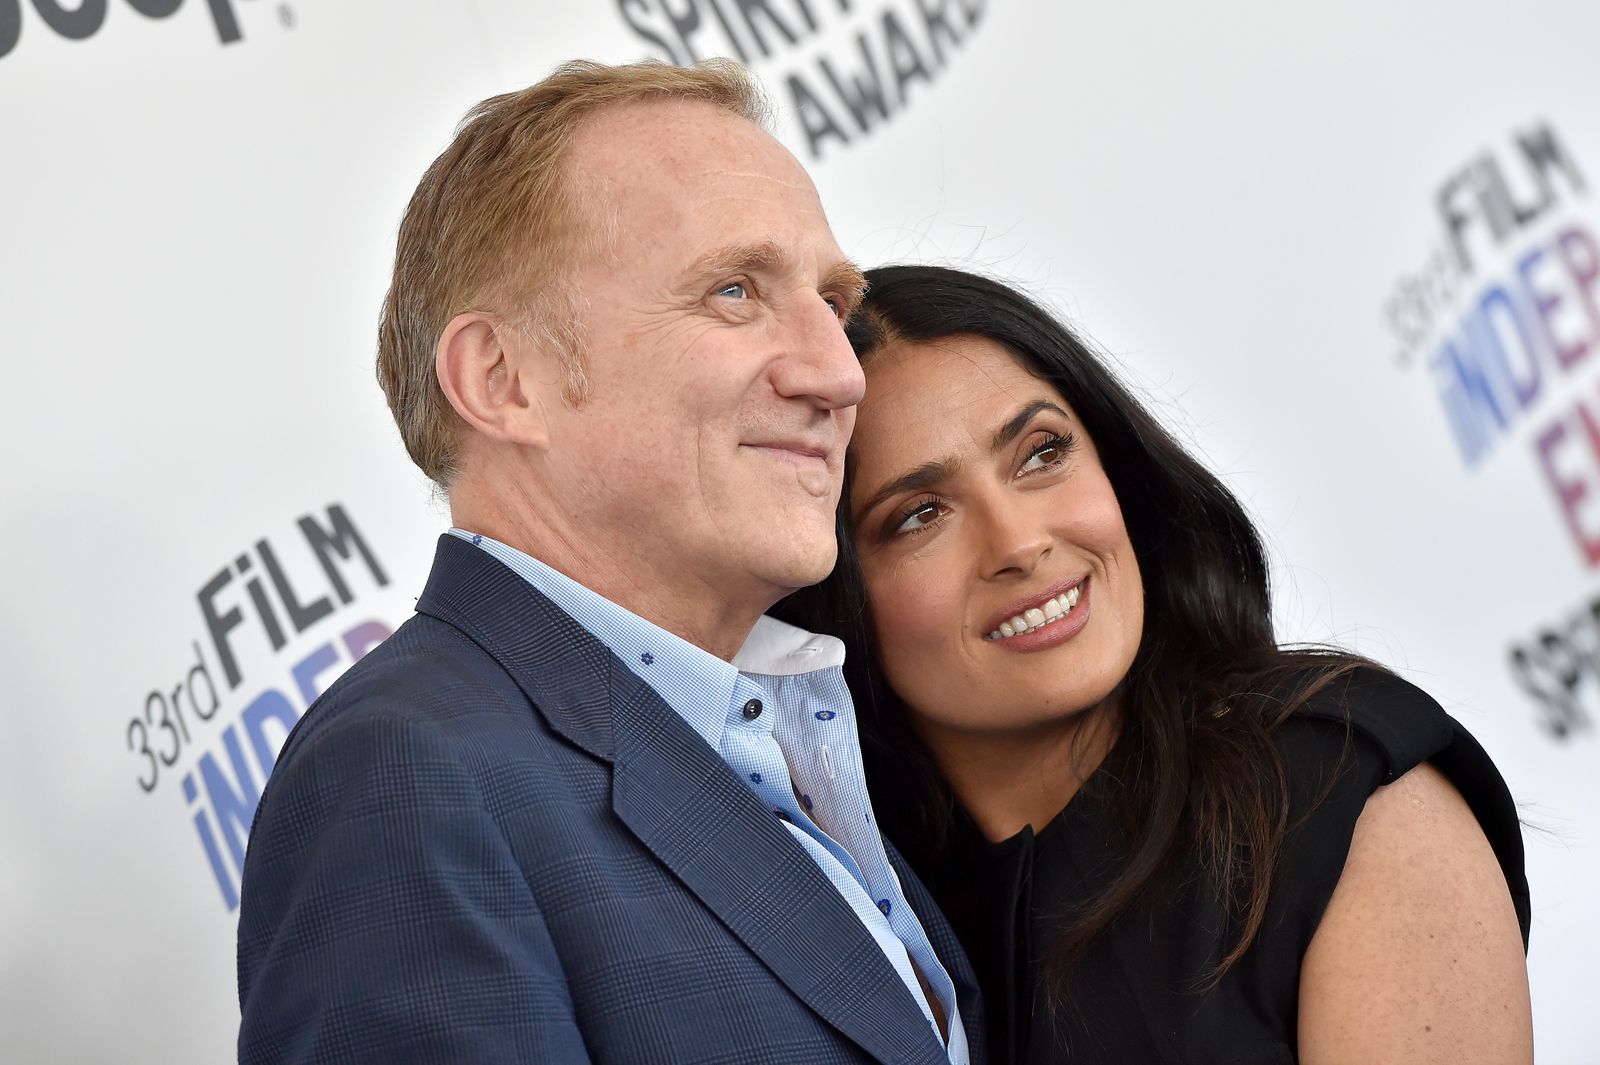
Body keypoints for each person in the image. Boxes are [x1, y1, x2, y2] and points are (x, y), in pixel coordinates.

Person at [236, 64, 983, 1065]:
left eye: (833, 303)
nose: (839, 372)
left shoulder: (771, 731)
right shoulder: (407, 780)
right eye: (734, 291)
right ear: (505, 381)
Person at [772, 264, 1534, 1065]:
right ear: (831, 591)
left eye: (1041, 453)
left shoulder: (1333, 793)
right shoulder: (861, 929)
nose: (1021, 541)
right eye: (919, 514)